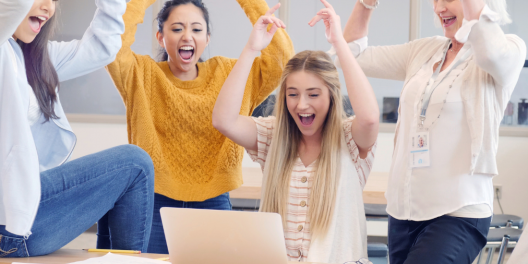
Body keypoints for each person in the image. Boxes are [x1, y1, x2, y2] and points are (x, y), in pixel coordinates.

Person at [335, 0, 526, 263]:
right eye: (435, 0)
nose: (438, 8)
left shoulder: (510, 49)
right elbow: (353, 56)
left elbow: (490, 52)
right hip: (404, 213)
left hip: (458, 214)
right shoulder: (426, 50)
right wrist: (366, 3)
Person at [105, 0, 294, 254]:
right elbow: (111, 46)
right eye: (176, 29)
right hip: (153, 201)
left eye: (196, 29)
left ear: (207, 37)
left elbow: (281, 61)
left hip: (213, 201)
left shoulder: (229, 73)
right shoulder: (141, 74)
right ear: (160, 37)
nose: (187, 36)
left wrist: (250, 3)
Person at [212, 0, 378, 262]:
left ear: (332, 96)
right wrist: (251, 49)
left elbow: (369, 119)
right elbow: (224, 120)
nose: (302, 105)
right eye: (292, 94)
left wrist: (340, 44)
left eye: (313, 94)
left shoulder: (349, 138)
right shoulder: (273, 135)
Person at [0, 0, 155, 257]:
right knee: (135, 163)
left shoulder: (35, 57)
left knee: (122, 179)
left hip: (25, 211)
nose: (49, 8)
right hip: (10, 222)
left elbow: (101, 48)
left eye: (54, 0)